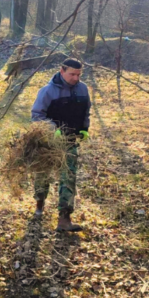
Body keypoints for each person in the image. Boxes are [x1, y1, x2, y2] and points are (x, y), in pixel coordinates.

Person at [30, 58, 91, 232]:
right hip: (48, 143)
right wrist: (52, 129)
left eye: (79, 74)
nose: (75, 78)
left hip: (70, 141)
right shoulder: (47, 91)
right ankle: (39, 205)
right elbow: (36, 116)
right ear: (62, 71)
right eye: (72, 74)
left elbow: (86, 111)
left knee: (69, 178)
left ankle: (64, 219)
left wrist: (85, 128)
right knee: (43, 176)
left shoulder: (83, 89)